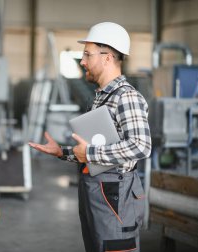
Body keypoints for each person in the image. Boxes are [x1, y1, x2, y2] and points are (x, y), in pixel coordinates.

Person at [29, 22, 151, 252]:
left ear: (107, 58)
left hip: (116, 196)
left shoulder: (126, 97)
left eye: (87, 54)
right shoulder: (101, 97)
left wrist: (91, 153)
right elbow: (94, 149)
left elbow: (141, 146)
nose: (82, 61)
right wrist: (62, 152)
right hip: (98, 193)